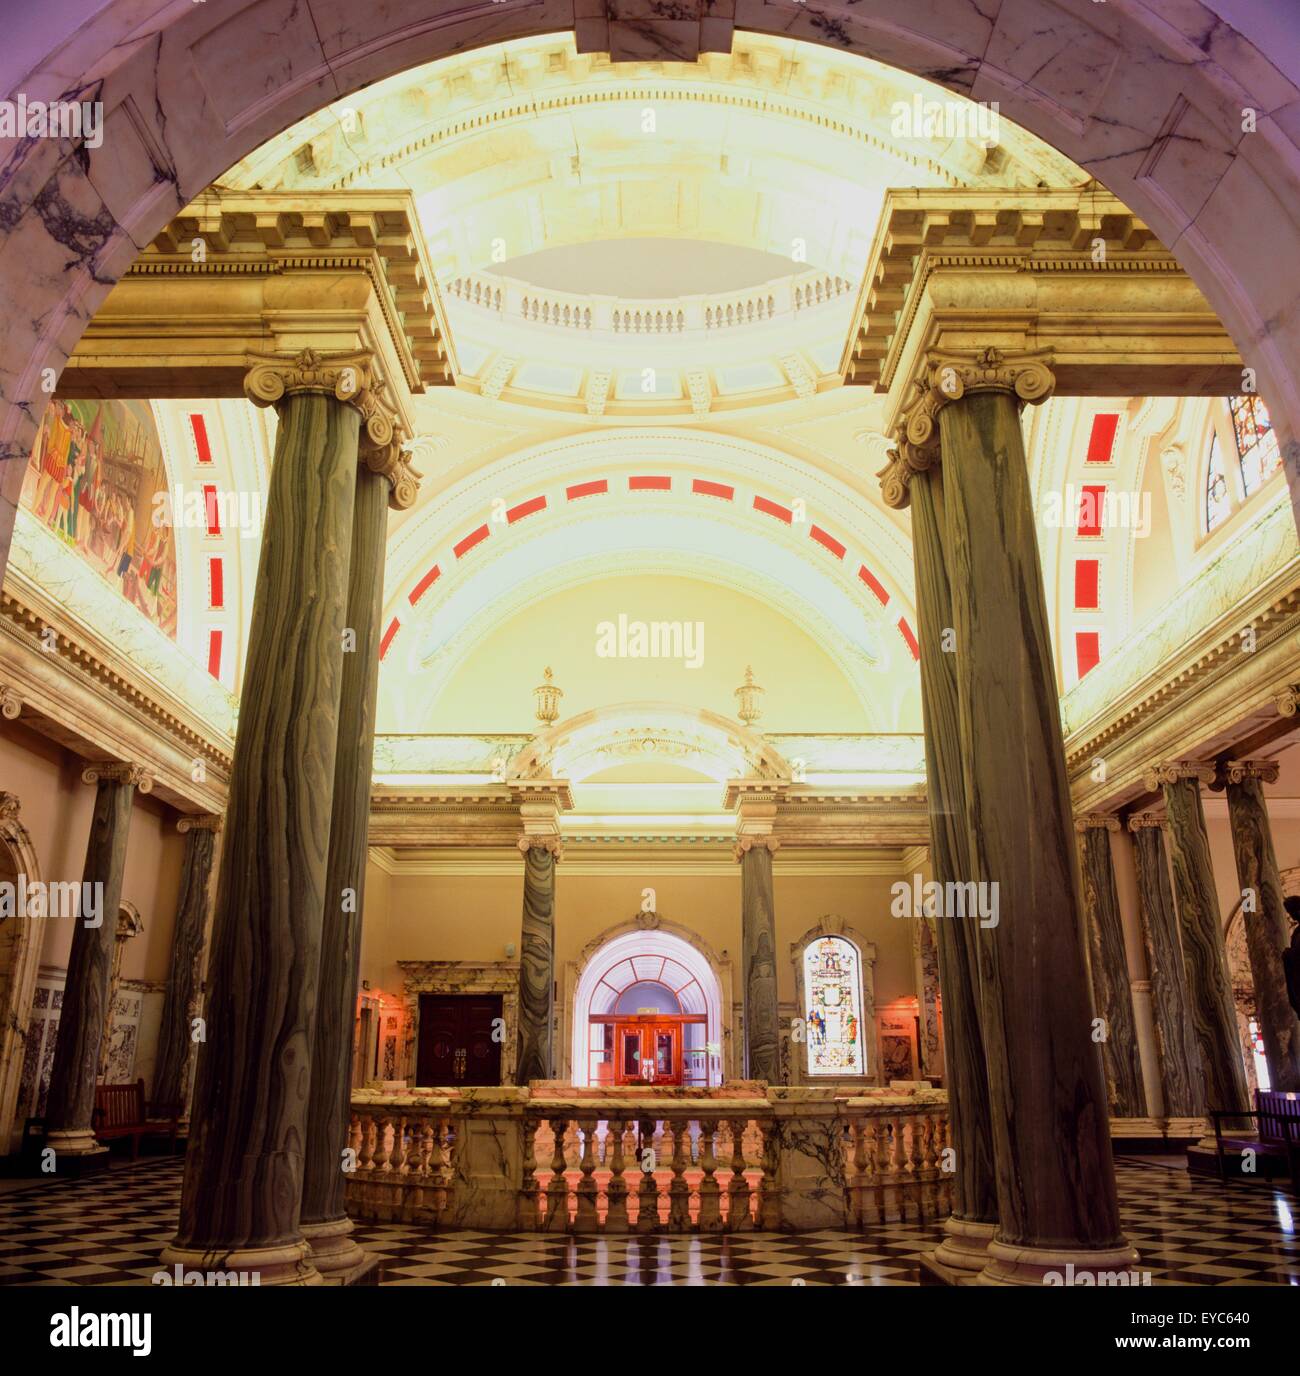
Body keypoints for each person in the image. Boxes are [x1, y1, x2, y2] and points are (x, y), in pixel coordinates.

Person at [1283, 896, 1300, 1020]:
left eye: (1294, 912)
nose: (1293, 917)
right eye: (1290, 913)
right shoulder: (1297, 933)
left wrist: (1291, 954)